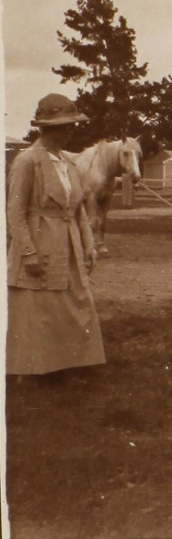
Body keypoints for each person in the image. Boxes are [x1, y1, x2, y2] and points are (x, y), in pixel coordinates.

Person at [6, 93, 105, 377]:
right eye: (67, 126)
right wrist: (28, 252)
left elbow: (78, 210)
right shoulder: (27, 162)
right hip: (40, 241)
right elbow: (15, 212)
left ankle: (69, 362)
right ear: (49, 128)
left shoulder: (67, 163)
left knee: (75, 301)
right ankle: (31, 368)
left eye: (72, 125)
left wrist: (89, 246)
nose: (72, 131)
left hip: (68, 243)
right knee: (37, 308)